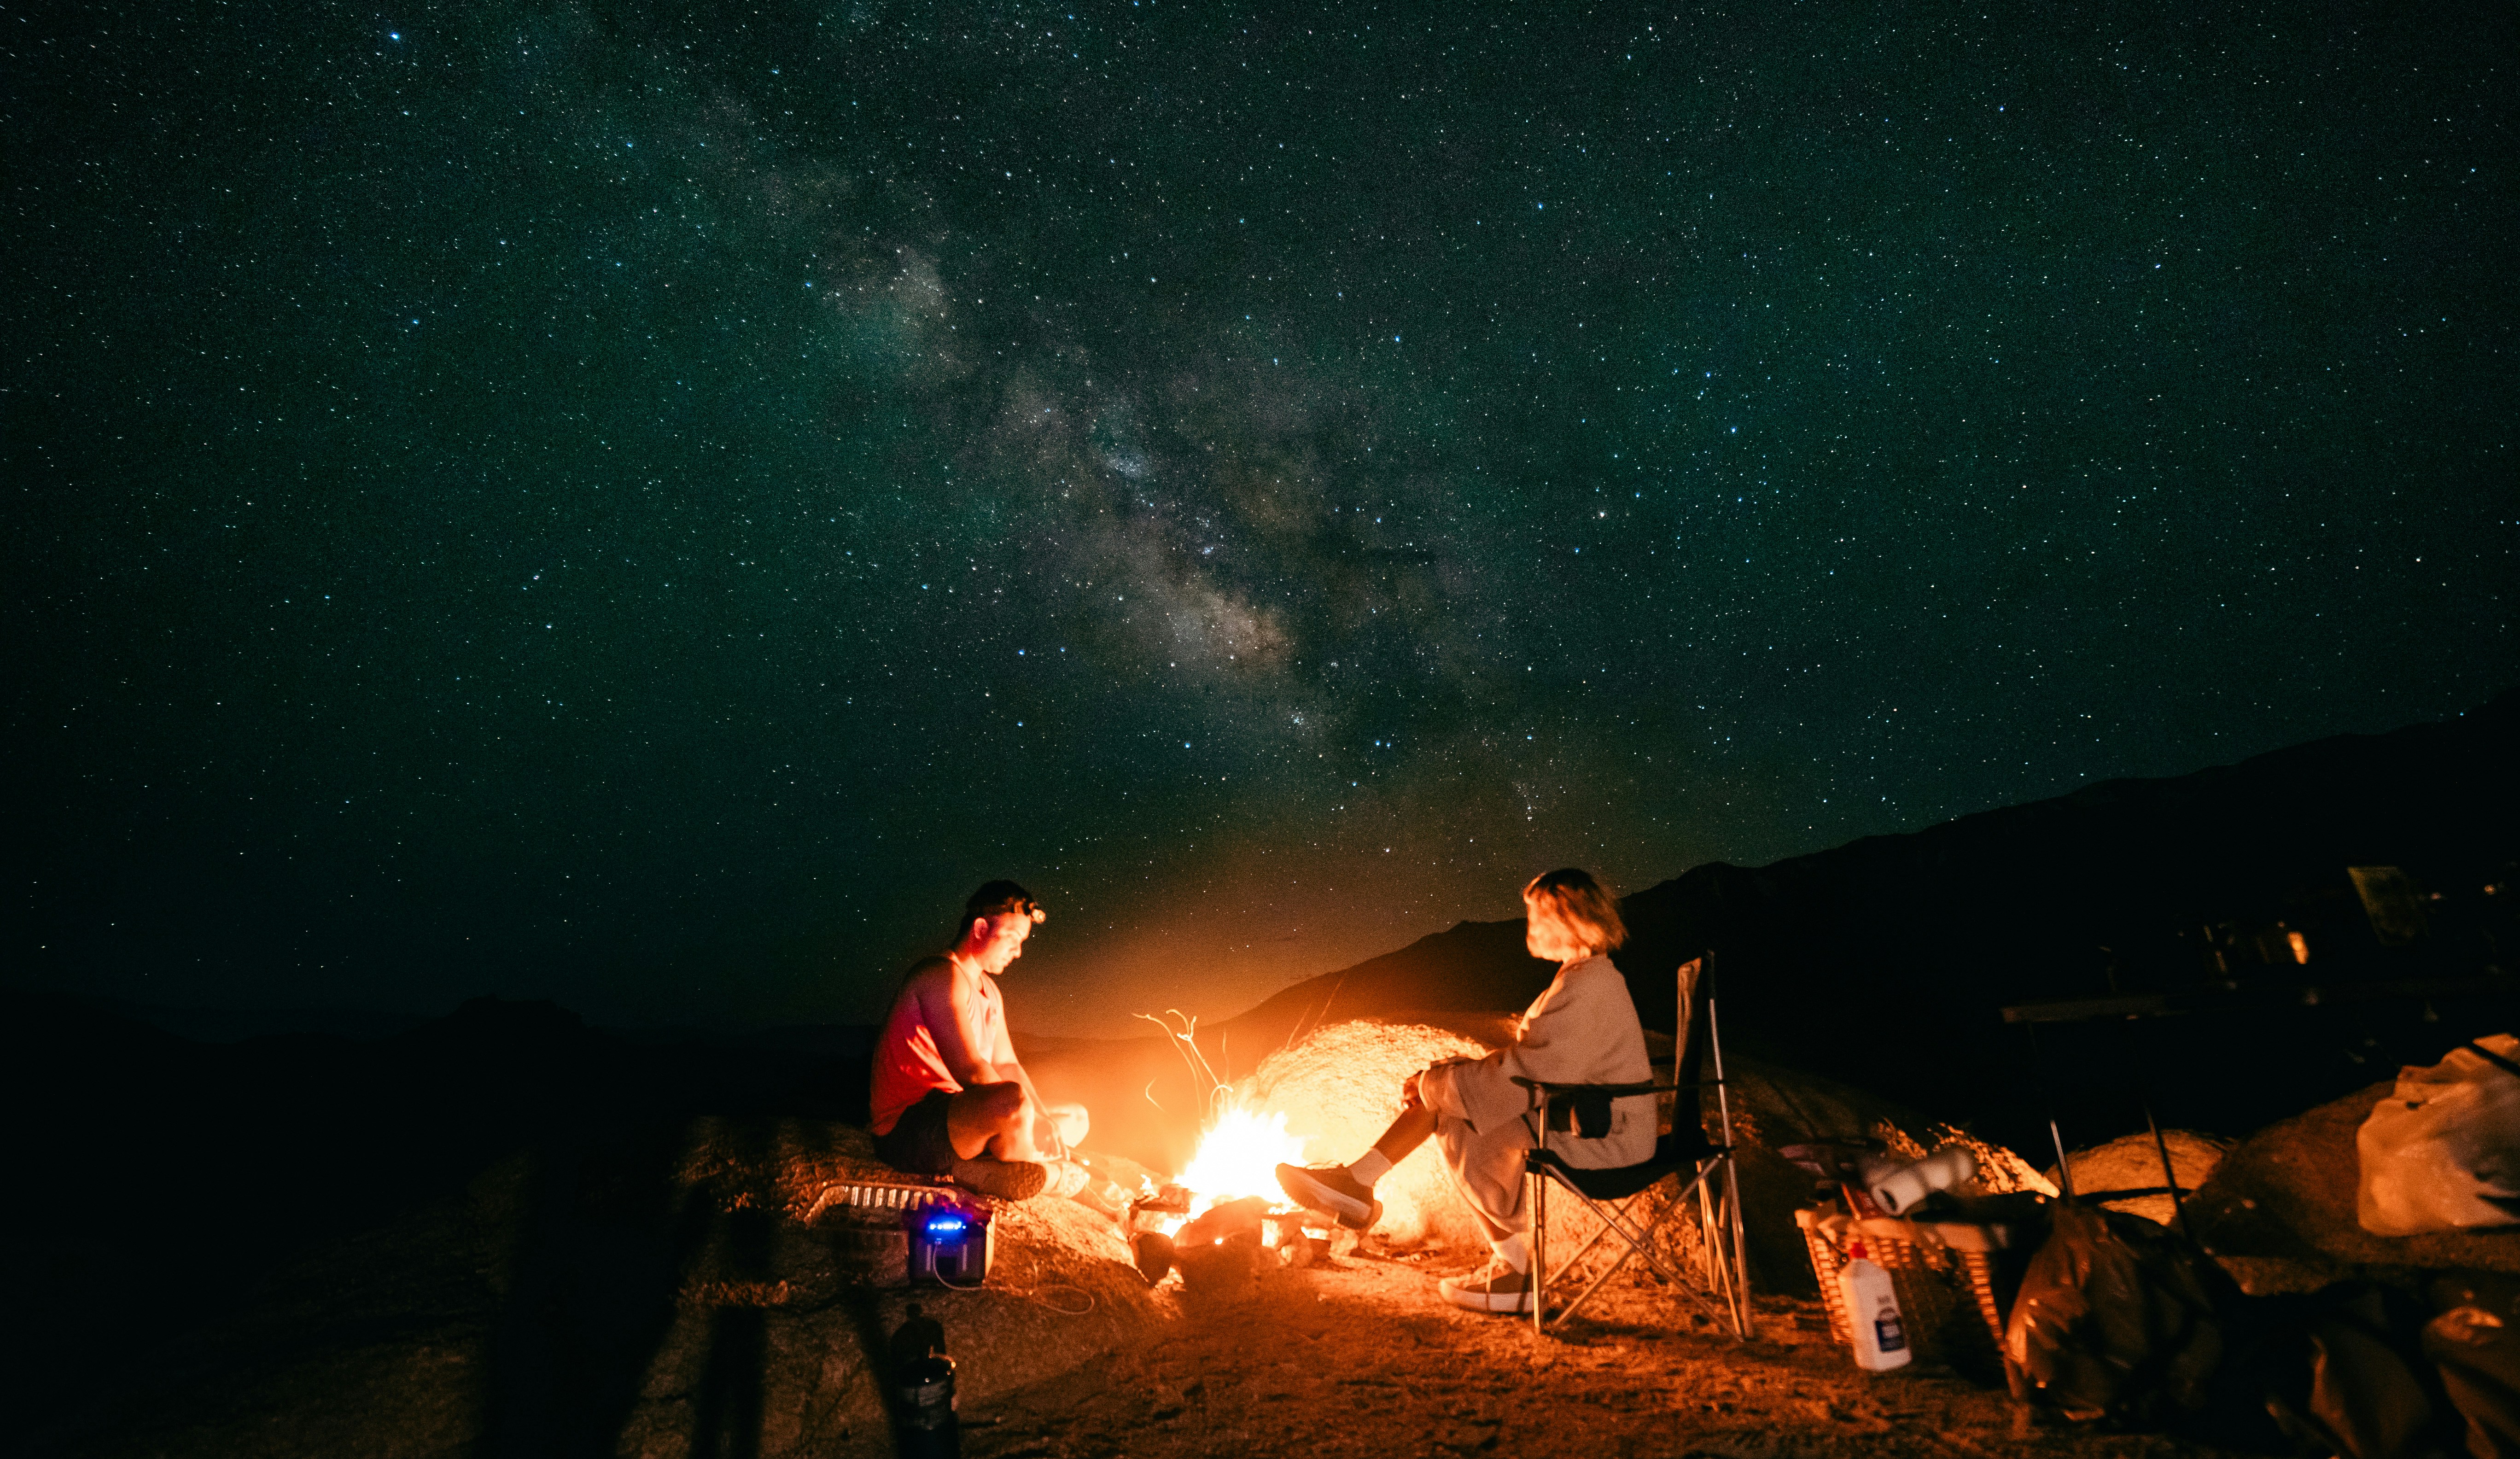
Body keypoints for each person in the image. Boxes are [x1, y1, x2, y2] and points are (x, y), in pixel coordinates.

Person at [1276, 868, 1656, 1314]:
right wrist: (1442, 1078)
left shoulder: (1590, 985)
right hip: (1588, 1122)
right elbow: (1532, 1062)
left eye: (1538, 915)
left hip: (1605, 1138)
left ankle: (1512, 1267)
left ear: (1568, 917)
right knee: (1453, 1105)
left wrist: (1434, 1085)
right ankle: (1364, 1185)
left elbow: (1526, 1072)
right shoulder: (1586, 979)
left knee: (1455, 1112)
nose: (1530, 926)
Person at [870, 881, 1097, 1202]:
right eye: (1014, 939)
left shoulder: (990, 991)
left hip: (964, 1117)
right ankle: (1031, 1172)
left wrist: (1043, 1120)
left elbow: (1007, 1064)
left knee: (1075, 1118)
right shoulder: (939, 974)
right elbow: (972, 1070)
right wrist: (1026, 1115)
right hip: (911, 1127)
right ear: (980, 929)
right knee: (1013, 1104)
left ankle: (997, 1167)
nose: (1018, 953)